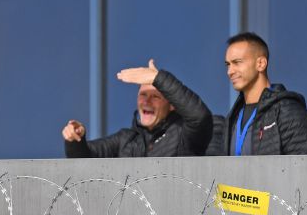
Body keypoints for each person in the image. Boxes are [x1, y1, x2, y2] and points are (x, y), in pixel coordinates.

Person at [62, 60, 214, 158]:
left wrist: (159, 79)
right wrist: (75, 139)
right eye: (143, 95)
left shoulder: (183, 136)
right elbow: (85, 160)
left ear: (171, 105)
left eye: (155, 96)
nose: (147, 101)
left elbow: (199, 117)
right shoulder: (126, 139)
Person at [221, 32, 307, 155]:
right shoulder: (233, 117)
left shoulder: (289, 112)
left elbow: (302, 168)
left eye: (237, 62)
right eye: (228, 64)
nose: (230, 71)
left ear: (261, 64)